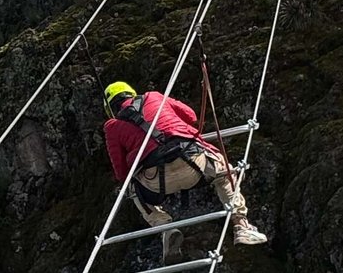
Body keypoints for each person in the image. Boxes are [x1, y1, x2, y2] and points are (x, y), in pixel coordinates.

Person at [102, 80, 267, 256]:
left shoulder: (112, 126)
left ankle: (165, 228)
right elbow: (191, 116)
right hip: (193, 162)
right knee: (223, 170)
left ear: (110, 109)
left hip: (156, 178)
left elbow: (121, 172)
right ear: (132, 93)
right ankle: (241, 224)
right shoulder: (154, 96)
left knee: (132, 189)